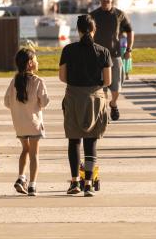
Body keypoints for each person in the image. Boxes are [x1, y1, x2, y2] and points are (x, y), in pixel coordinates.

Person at [59, 15, 112, 197]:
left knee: (74, 141)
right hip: (95, 99)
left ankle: (74, 181)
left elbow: (62, 77)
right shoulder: (103, 51)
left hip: (74, 96)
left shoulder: (68, 50)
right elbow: (108, 81)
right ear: (94, 30)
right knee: (91, 142)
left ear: (78, 30)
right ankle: (88, 183)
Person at [4, 48, 50, 197]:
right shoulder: (38, 81)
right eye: (35, 59)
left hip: (19, 124)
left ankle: (21, 177)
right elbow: (44, 102)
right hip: (34, 124)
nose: (37, 62)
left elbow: (6, 102)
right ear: (30, 63)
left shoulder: (14, 81)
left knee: (25, 150)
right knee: (34, 154)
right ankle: (32, 185)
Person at [89, 0, 133, 121]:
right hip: (97, 57)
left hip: (115, 55)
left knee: (116, 86)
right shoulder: (93, 15)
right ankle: (103, 111)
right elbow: (86, 34)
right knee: (101, 86)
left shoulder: (120, 15)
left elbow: (130, 31)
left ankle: (113, 104)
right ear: (100, 0)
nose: (106, 0)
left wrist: (129, 50)